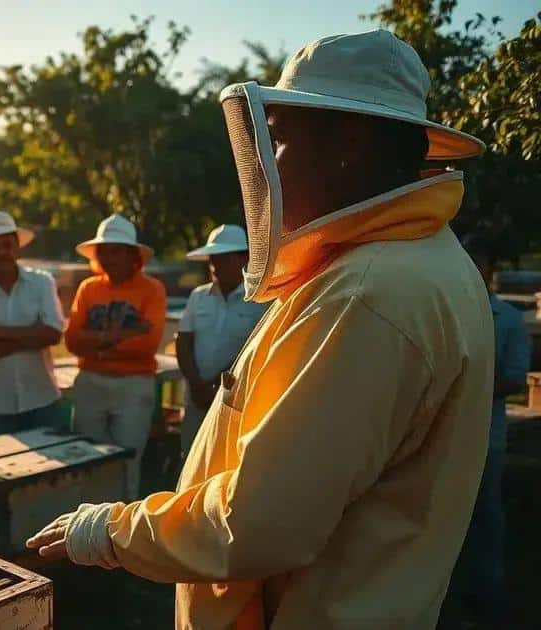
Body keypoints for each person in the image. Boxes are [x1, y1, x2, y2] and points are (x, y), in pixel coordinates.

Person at [28, 30, 494, 629]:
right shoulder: (424, 261)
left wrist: (109, 531)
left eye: (279, 140)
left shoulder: (368, 294)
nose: (269, 163)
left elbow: (257, 524)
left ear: (348, 142)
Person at [441, 239, 530, 629]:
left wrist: (468, 382)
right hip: (442, 434)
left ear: (488, 274)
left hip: (485, 433)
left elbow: (515, 378)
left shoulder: (507, 319)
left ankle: (488, 590)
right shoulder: (446, 312)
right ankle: (447, 592)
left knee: (485, 513)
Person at [64, 214, 166, 501]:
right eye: (104, 250)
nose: (109, 257)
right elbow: (71, 339)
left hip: (133, 386)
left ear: (132, 254)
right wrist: (117, 336)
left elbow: (147, 344)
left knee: (127, 461)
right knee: (86, 457)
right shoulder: (89, 288)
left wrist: (94, 344)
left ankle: (120, 532)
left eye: (117, 250)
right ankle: (84, 527)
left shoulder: (152, 289)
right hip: (90, 383)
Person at [0, 209, 65, 435]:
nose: (1, 252)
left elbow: (53, 334)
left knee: (50, 469)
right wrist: (31, 337)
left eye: (6, 245)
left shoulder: (42, 283)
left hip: (42, 400)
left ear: (17, 246)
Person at [176, 224, 268, 458]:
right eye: (213, 259)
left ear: (243, 258)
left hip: (234, 399)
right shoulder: (198, 297)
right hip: (196, 397)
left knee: (226, 459)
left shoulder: (260, 302)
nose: (216, 265)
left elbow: (252, 349)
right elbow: (183, 342)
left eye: (224, 258)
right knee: (190, 457)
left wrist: (217, 386)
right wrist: (198, 385)